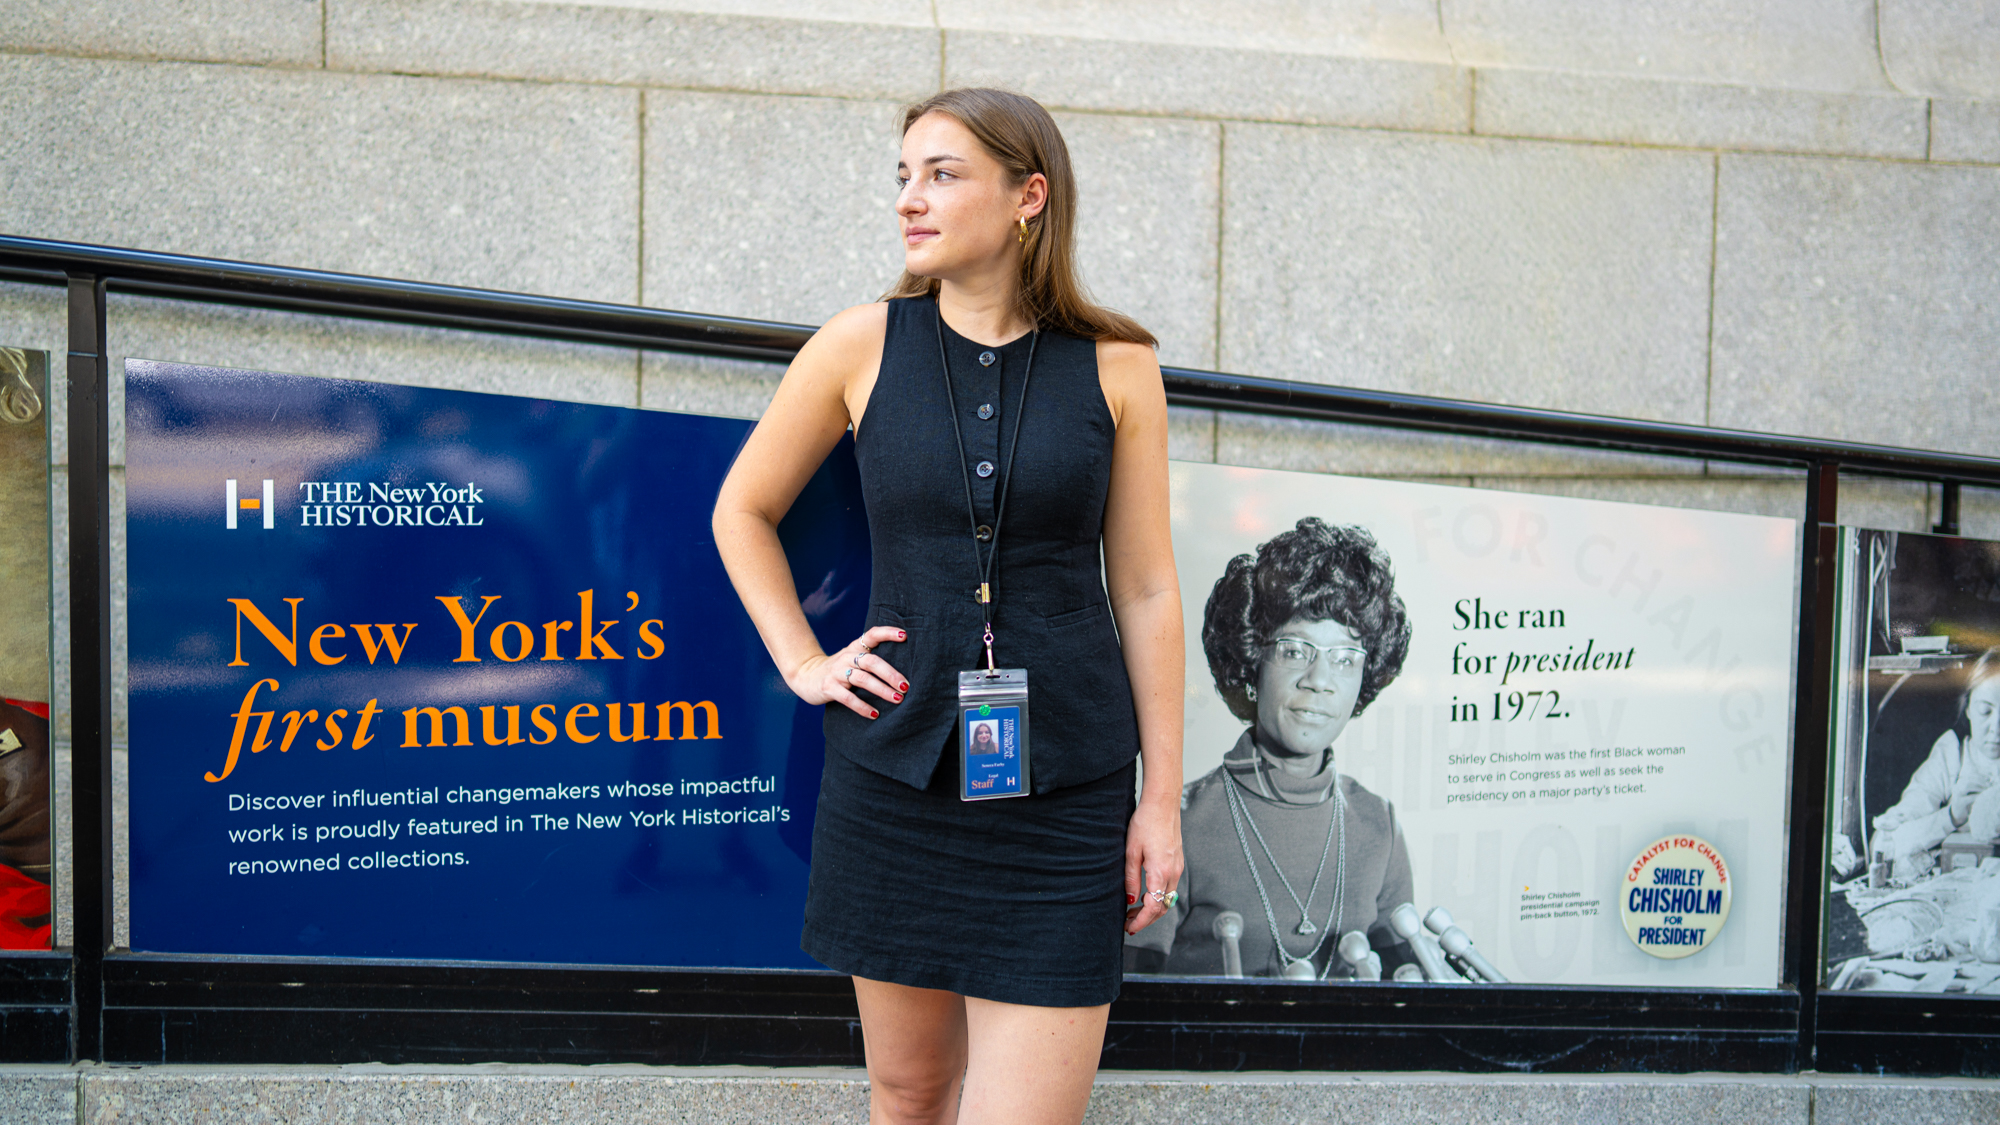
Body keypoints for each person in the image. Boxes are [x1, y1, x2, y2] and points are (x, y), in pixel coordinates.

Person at [712, 88, 1184, 1125]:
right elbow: (741, 509)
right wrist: (803, 663)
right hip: (893, 770)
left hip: (1064, 789)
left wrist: (1159, 799)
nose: (908, 201)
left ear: (1029, 196)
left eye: (941, 174)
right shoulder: (857, 345)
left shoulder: (1120, 368)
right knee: (910, 1093)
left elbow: (1145, 587)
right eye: (902, 177)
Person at [1127, 518, 1414, 980]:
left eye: (1344, 658)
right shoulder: (1177, 825)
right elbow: (1135, 1008)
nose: (1319, 681)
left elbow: (1408, 1001)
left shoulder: (1379, 827)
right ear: (1252, 662)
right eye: (1295, 650)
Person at [1872, 647, 2000, 862]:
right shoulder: (1952, 757)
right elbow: (1883, 846)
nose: (1996, 728)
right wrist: (1951, 816)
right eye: (1985, 711)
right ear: (1968, 709)